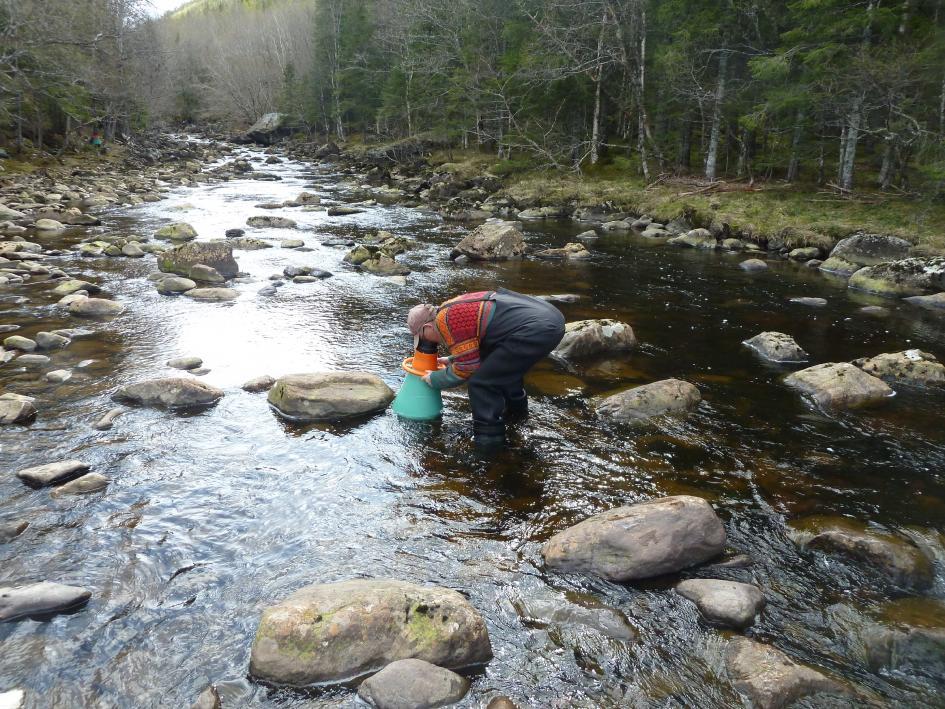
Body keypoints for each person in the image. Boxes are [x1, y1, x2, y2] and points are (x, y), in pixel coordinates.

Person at [407, 288, 565, 445]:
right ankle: (517, 418)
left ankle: (488, 442)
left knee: (481, 383)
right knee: (501, 370)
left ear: (427, 328)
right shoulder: (448, 308)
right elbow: (482, 342)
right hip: (549, 317)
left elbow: (466, 369)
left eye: (421, 338)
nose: (426, 343)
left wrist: (434, 379)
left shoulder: (445, 322)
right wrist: (453, 359)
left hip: (539, 328)